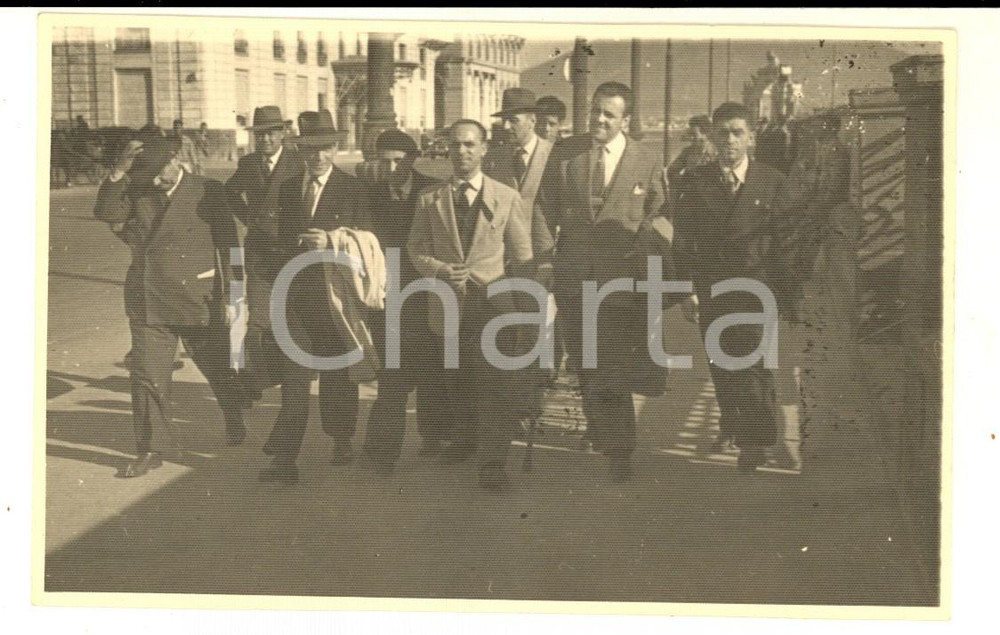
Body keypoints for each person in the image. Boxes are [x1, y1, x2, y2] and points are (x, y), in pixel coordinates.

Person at [93, 133, 246, 478]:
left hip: (199, 297)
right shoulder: (139, 188)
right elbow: (105, 212)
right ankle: (150, 449)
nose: (157, 181)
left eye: (161, 172)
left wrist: (233, 296)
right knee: (147, 374)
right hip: (150, 298)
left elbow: (229, 245)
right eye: (149, 176)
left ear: (175, 160)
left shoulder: (208, 189)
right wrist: (118, 172)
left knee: (218, 368)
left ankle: (233, 413)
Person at [538, 82, 670, 482]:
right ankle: (601, 428)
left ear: (624, 120)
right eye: (595, 110)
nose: (598, 119)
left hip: (620, 280)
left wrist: (646, 247)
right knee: (584, 363)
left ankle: (619, 450)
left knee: (611, 364)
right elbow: (542, 212)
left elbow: (660, 212)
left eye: (608, 114)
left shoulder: (646, 159)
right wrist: (546, 261)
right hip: (573, 277)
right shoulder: (565, 154)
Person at [407, 119, 533, 492]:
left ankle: (492, 463)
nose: (461, 152)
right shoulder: (430, 198)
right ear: (446, 150)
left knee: (494, 385)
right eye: (455, 145)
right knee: (457, 378)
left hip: (494, 305)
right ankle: (464, 440)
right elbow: (416, 249)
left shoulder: (505, 196)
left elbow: (523, 256)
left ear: (483, 149)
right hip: (447, 302)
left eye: (469, 145)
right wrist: (442, 270)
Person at [672, 102, 792, 473]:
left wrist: (783, 292)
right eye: (722, 132)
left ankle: (754, 443)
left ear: (751, 137)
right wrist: (687, 289)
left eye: (738, 132)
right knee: (721, 363)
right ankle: (734, 424)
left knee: (752, 363)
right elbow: (683, 239)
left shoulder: (772, 182)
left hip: (756, 288)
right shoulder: (695, 182)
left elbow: (786, 242)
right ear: (712, 136)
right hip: (711, 288)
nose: (730, 140)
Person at [258, 110, 371, 485]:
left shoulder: (353, 188)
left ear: (336, 147)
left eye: (324, 148)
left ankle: (341, 437)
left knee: (338, 372)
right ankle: (285, 457)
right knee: (294, 379)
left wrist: (333, 241)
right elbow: (277, 238)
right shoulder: (290, 188)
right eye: (309, 149)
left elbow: (368, 245)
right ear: (299, 149)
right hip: (295, 297)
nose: (317, 157)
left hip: (336, 297)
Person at [359, 129, 447, 475]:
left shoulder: (432, 191)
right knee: (392, 375)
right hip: (387, 296)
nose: (392, 167)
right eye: (386, 161)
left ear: (412, 160)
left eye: (398, 160)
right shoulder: (370, 195)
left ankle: (433, 433)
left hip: (427, 292)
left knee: (431, 370)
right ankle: (382, 452)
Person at [483, 87, 558, 423]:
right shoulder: (494, 158)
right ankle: (509, 399)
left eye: (513, 120)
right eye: (504, 120)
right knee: (503, 327)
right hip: (499, 259)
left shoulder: (555, 156)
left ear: (532, 120)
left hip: (540, 257)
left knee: (533, 327)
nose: (508, 126)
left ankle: (527, 402)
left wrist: (551, 259)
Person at [225, 106, 303, 402]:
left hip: (292, 251)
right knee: (258, 317)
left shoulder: (298, 162)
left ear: (283, 133)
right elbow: (229, 192)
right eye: (261, 134)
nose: (266, 139)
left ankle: (295, 370)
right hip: (260, 251)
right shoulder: (247, 164)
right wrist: (249, 217)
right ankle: (258, 377)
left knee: (293, 316)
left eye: (272, 132)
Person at [666, 115, 717, 201]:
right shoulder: (687, 152)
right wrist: (685, 182)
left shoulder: (717, 153)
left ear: (705, 134)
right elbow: (671, 171)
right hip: (690, 197)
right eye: (690, 134)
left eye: (694, 134)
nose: (691, 138)